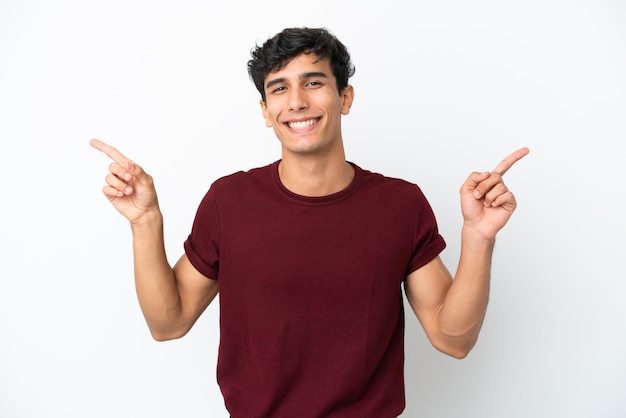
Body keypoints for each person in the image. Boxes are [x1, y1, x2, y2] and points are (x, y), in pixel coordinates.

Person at [90, 27, 528, 418]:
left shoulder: (400, 203)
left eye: (313, 82)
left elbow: (453, 339)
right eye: (278, 88)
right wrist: (145, 221)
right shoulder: (230, 201)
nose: (296, 102)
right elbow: (169, 323)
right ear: (265, 110)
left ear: (345, 97)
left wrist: (478, 237)